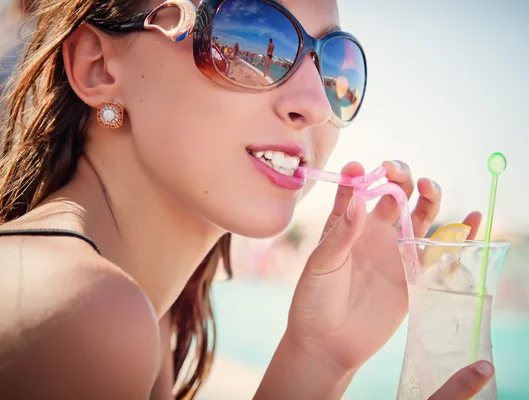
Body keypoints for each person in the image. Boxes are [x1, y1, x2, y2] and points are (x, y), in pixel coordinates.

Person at [0, 0, 492, 399]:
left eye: (335, 67)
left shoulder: (149, 322)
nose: (318, 104)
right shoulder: (89, 316)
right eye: (251, 41)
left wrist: (319, 357)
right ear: (99, 67)